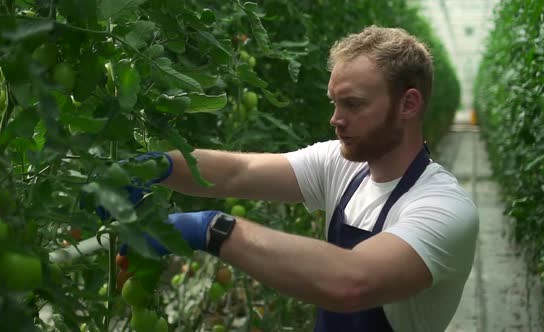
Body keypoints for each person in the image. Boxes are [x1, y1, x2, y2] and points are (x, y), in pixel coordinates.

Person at [122, 25, 479, 332]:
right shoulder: (342, 164)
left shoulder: (443, 207)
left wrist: (211, 228)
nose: (335, 119)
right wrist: (155, 167)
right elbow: (237, 173)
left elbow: (352, 281)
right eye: (334, 104)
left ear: (408, 105)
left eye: (353, 104)